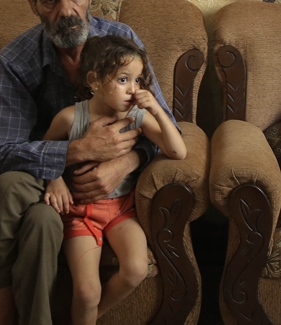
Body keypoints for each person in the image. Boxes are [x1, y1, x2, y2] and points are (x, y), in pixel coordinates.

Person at [0, 0, 174, 325]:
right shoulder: (16, 58)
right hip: (39, 176)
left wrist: (126, 161)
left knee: (40, 224)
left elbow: (165, 124)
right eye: (50, 0)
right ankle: (1, 304)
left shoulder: (120, 41)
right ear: (32, 3)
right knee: (5, 187)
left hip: (94, 189)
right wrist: (72, 153)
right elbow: (2, 153)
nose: (66, 11)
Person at [41, 35, 186, 325]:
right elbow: (44, 152)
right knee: (86, 291)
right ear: (94, 81)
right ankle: (86, 314)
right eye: (123, 79)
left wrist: (155, 108)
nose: (133, 89)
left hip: (122, 209)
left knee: (135, 269)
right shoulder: (70, 118)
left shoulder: (137, 116)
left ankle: (88, 320)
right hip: (81, 215)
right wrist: (53, 180)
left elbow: (177, 151)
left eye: (138, 80)